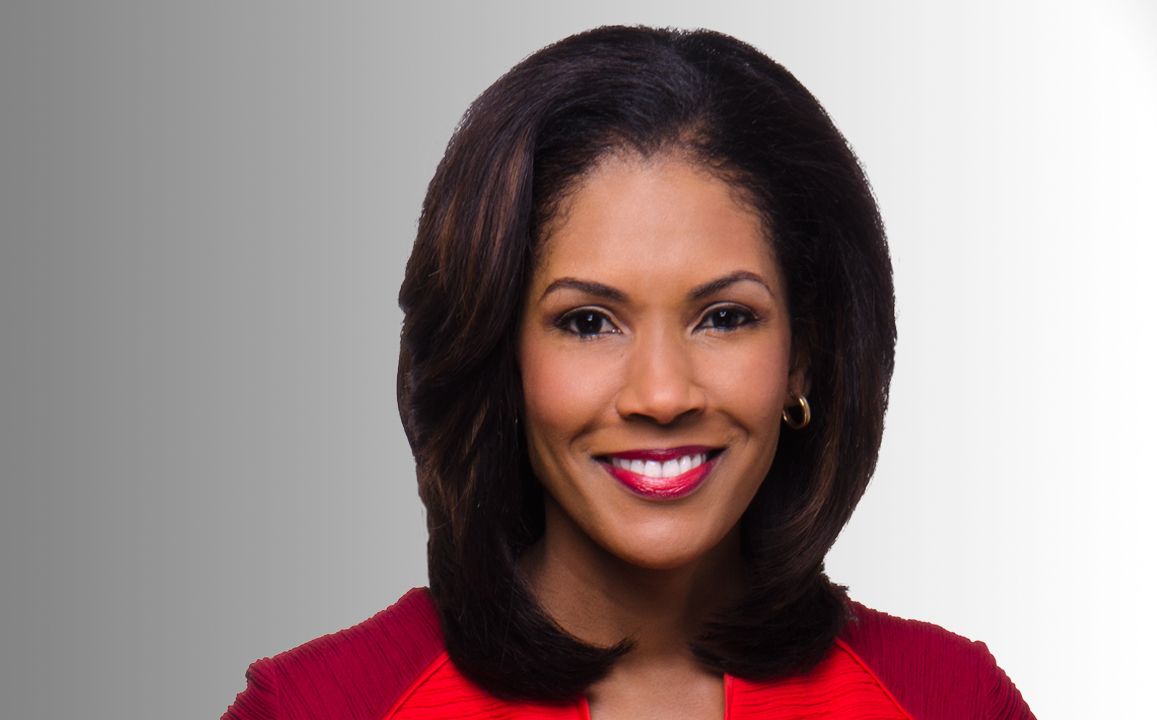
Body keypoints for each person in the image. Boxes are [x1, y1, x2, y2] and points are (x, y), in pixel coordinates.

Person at [224, 26, 1035, 720]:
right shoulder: (323, 708)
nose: (662, 395)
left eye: (725, 317)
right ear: (500, 355)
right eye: (587, 322)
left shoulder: (947, 701)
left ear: (805, 356)